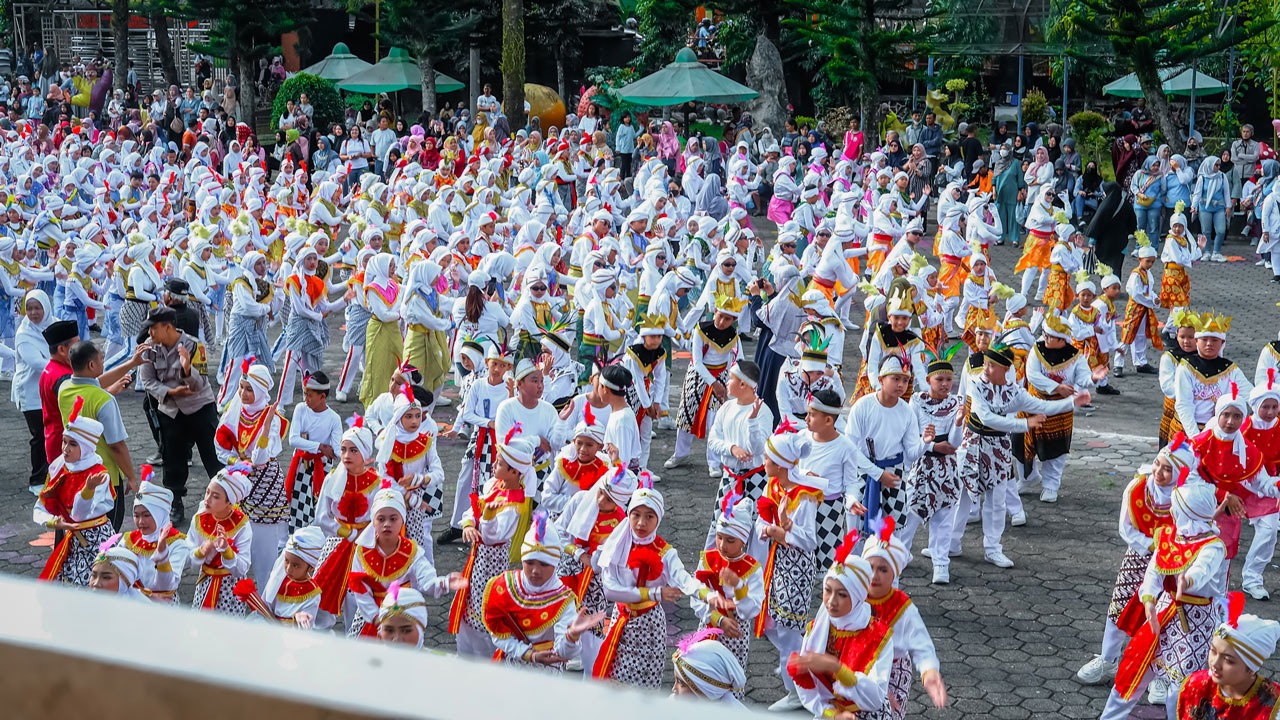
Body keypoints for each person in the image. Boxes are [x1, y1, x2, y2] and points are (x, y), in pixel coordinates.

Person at [1100, 479, 1226, 719]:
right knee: (1134, 669)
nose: (1171, 511)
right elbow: (1154, 570)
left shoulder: (1213, 546)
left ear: (1189, 512)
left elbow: (1203, 569)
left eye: (1176, 507)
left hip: (1195, 624)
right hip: (1163, 612)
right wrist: (1148, 599)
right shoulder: (1170, 536)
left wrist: (1187, 581)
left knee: (1180, 687)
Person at [136, 306, 223, 525]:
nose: (150, 334)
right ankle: (175, 502)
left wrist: (186, 370)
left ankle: (226, 498)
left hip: (199, 406)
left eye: (153, 329)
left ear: (167, 327)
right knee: (172, 459)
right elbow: (147, 381)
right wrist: (170, 392)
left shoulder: (193, 345)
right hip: (170, 409)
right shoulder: (149, 349)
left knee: (213, 457)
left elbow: (200, 383)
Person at [787, 548, 892, 718]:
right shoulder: (817, 629)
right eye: (827, 590)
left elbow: (875, 699)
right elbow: (808, 690)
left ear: (858, 597)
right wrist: (832, 714)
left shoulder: (878, 637)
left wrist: (836, 668)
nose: (831, 601)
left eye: (842, 594)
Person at [213, 361, 288, 585]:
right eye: (242, 387)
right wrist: (238, 460)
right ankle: (237, 597)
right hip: (237, 482)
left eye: (249, 389)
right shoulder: (234, 411)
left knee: (264, 553)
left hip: (264, 486)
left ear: (261, 391)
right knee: (236, 543)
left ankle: (265, 604)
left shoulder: (272, 417)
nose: (243, 393)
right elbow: (219, 448)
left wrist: (264, 431)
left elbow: (261, 459)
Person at [58, 341, 140, 530]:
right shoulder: (104, 401)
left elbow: (93, 385)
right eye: (101, 360)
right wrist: (131, 477)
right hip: (104, 479)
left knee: (78, 530)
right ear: (92, 365)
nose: (103, 364)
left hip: (73, 472)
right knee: (106, 535)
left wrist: (130, 364)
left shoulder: (64, 388)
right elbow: (116, 446)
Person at [33, 398, 113, 586]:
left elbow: (79, 515)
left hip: (96, 539)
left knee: (96, 586)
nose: (65, 449)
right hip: (71, 539)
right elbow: (40, 506)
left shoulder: (99, 474)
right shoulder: (59, 466)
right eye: (64, 442)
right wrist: (53, 522)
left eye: (73, 444)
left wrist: (88, 490)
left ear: (86, 448)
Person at [1176, 614, 1280, 718]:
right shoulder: (1196, 685)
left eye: (1228, 660)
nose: (1215, 664)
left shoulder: (1272, 705)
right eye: (1213, 651)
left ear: (1251, 668)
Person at [188, 466, 254, 615]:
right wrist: (200, 552)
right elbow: (189, 555)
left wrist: (227, 551)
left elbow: (243, 567)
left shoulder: (242, 526)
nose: (207, 499)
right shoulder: (200, 519)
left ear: (229, 502)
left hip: (230, 588)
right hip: (205, 582)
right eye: (207, 492)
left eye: (216, 496)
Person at [125, 477, 190, 603]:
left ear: (160, 514)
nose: (140, 522)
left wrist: (162, 555)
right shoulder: (129, 540)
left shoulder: (177, 544)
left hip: (162, 604)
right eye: (136, 515)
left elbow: (166, 586)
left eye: (146, 515)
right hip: (133, 601)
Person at [14, 290, 52, 493]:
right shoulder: (23, 334)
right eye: (29, 308)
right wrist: (65, 370)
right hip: (31, 392)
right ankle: (37, 480)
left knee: (54, 433)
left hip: (51, 389)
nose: (34, 312)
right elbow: (38, 363)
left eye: (38, 308)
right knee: (39, 436)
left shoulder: (53, 324)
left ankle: (54, 474)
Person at [38, 319, 79, 484]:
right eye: (76, 345)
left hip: (55, 439)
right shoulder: (62, 377)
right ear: (62, 349)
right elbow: (81, 406)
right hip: (65, 446)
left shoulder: (51, 369)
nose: (80, 349)